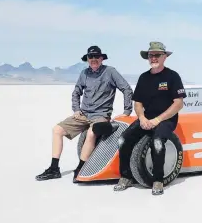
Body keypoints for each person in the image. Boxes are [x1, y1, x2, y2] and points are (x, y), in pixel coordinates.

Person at [35, 45, 134, 182]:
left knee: (91, 132)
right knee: (57, 130)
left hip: (100, 115)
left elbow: (127, 89)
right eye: (90, 57)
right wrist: (76, 109)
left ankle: (80, 169)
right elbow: (76, 92)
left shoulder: (110, 72)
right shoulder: (84, 74)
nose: (93, 59)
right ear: (87, 59)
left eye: (96, 57)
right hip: (83, 114)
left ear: (101, 58)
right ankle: (54, 168)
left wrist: (127, 111)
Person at [112, 41, 187, 195]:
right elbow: (138, 102)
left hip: (166, 119)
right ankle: (126, 177)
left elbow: (178, 104)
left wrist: (158, 120)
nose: (153, 58)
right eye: (151, 55)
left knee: (158, 142)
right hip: (146, 118)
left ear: (164, 57)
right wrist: (142, 117)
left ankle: (158, 180)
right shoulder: (144, 78)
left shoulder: (172, 76)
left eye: (157, 55)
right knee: (123, 140)